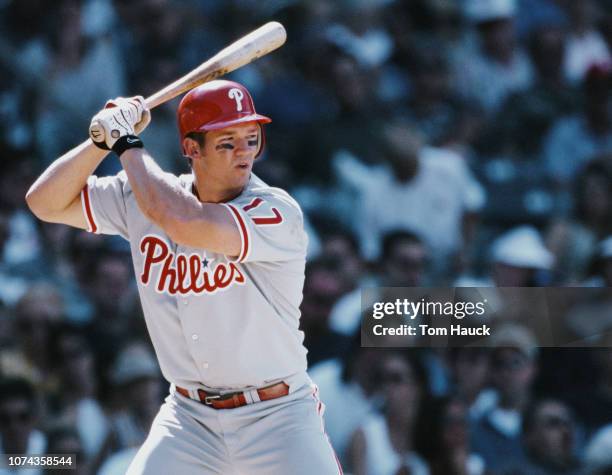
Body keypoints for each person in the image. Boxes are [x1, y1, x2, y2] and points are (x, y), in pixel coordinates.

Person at [25, 79, 342, 474]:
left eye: (251, 138)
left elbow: (182, 220)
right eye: (228, 142)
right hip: (190, 419)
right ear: (192, 148)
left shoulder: (276, 211)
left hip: (277, 417)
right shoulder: (143, 195)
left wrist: (125, 142)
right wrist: (100, 139)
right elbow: (44, 202)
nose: (245, 153)